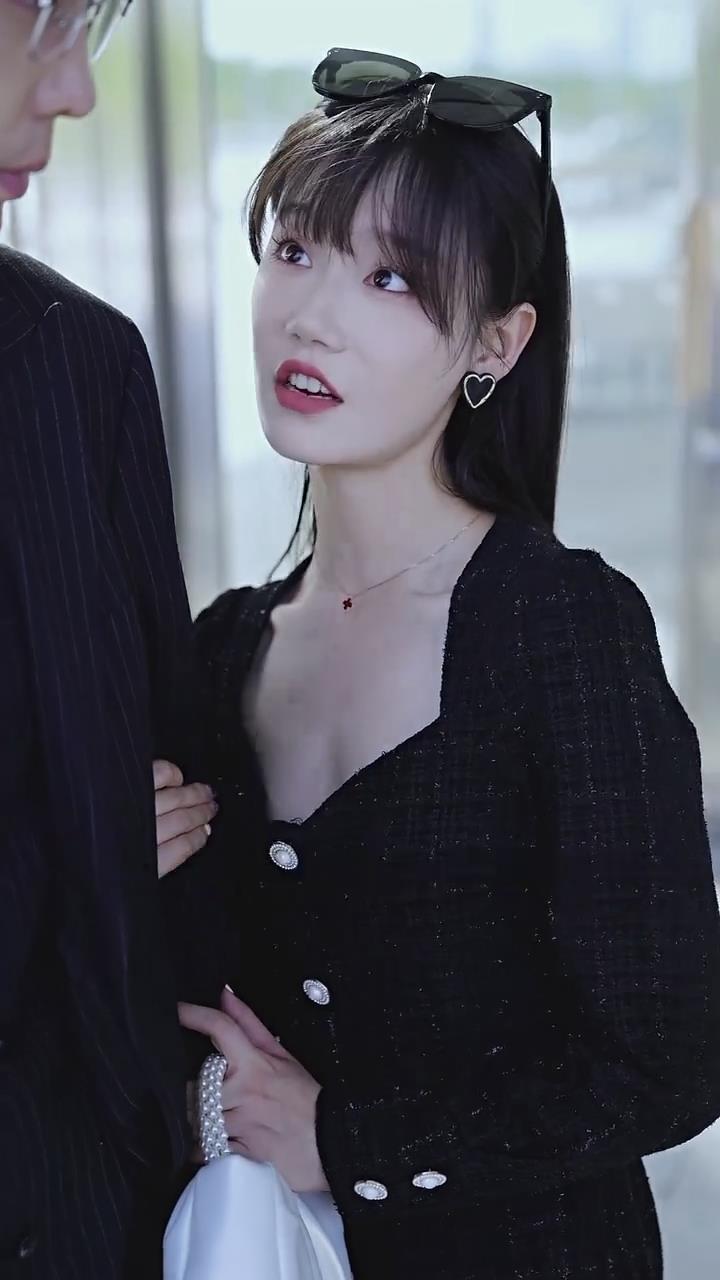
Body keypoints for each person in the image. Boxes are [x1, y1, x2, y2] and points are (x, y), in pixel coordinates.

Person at [161, 48, 720, 1280]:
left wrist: (350, 1141)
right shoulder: (220, 647)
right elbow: (191, 1010)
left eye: (390, 278)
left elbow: (669, 1057)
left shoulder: (563, 630)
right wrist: (111, 874)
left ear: (497, 344)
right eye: (294, 250)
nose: (310, 313)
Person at [0, 3, 215, 1275]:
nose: (77, 91)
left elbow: (168, 814)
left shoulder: (79, 363)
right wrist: (70, 846)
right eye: (43, 24)